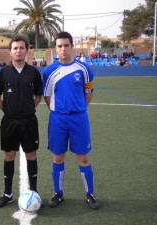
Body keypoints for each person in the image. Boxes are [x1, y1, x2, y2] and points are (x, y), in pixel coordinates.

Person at [42, 31, 99, 210]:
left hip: (79, 118)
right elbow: (47, 96)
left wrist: (79, 108)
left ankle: (90, 194)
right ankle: (58, 193)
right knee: (58, 156)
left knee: (83, 157)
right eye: (60, 46)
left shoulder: (84, 69)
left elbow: (88, 93)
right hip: (58, 119)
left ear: (72, 47)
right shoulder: (49, 71)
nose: (63, 49)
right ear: (55, 49)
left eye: (66, 45)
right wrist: (57, 110)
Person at [0, 34, 43, 208]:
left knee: (31, 155)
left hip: (29, 121)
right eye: (15, 48)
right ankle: (7, 193)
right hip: (9, 122)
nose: (18, 51)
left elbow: (38, 95)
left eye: (22, 48)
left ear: (26, 51)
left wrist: (30, 108)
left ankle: (34, 192)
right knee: (9, 156)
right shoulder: (2, 73)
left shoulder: (34, 72)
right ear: (10, 52)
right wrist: (6, 110)